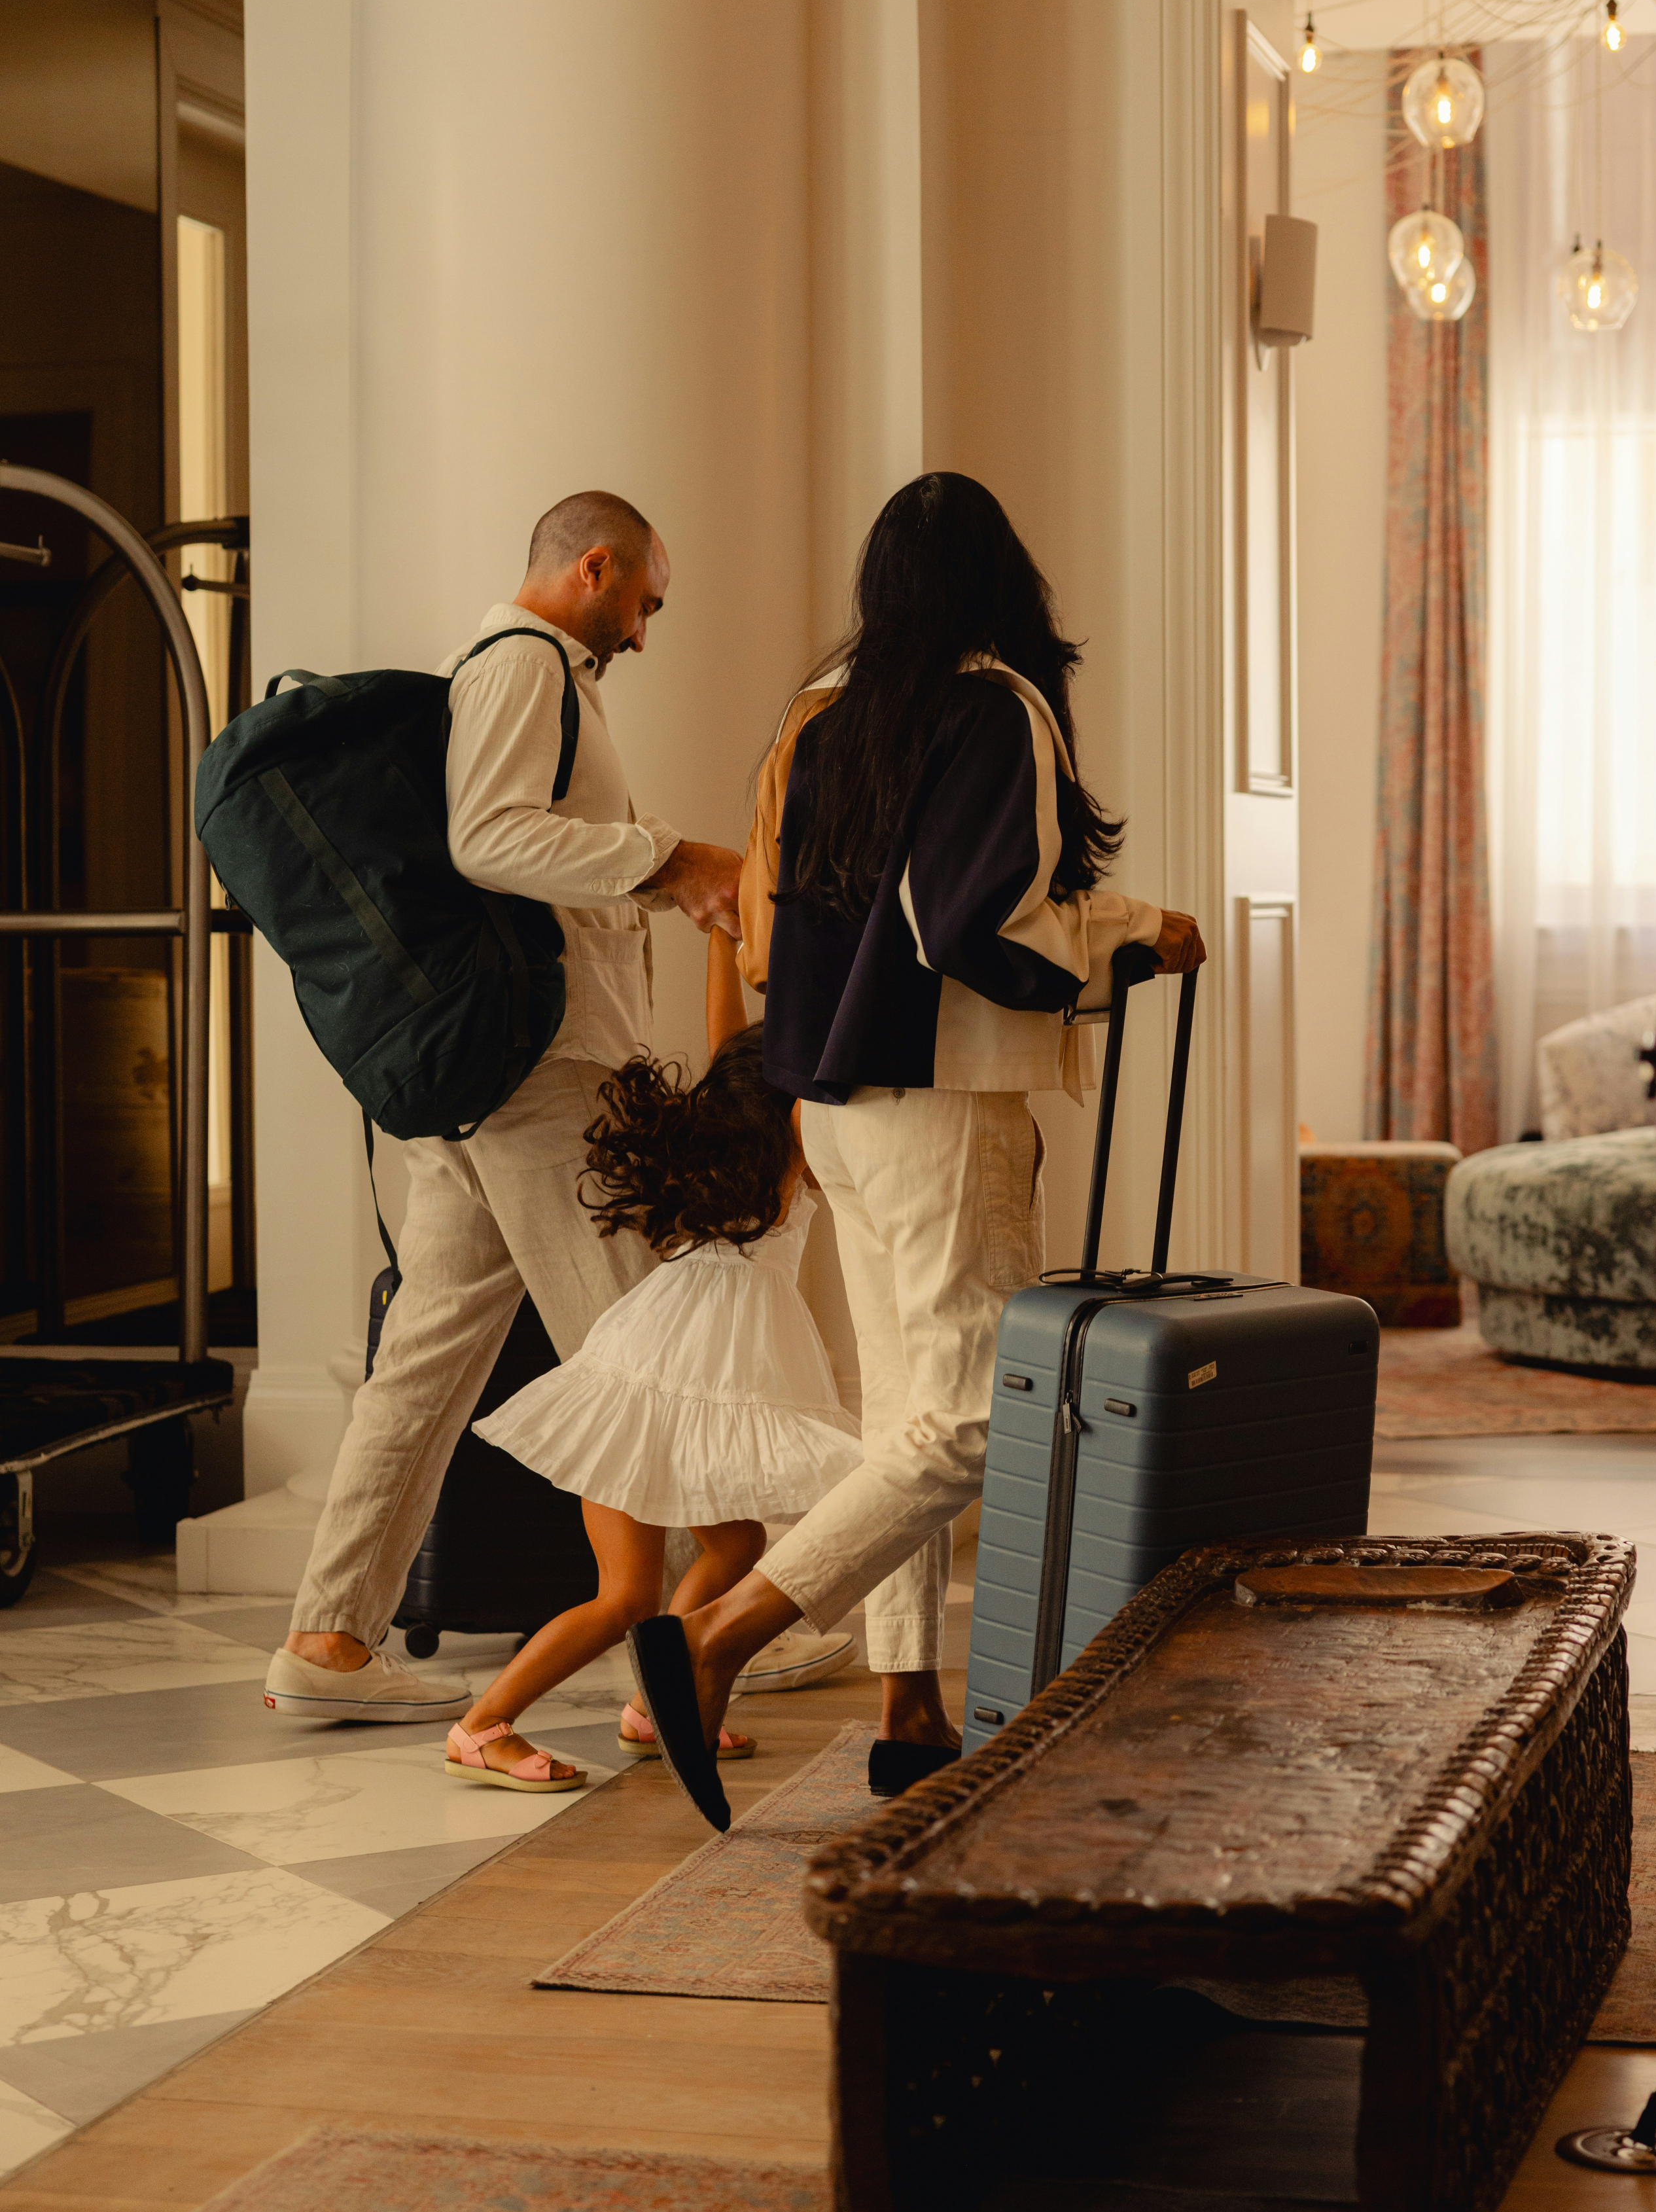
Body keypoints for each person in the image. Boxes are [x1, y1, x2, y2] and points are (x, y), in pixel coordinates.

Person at [627, 471, 1207, 1830]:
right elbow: (970, 925)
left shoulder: (825, 717)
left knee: (903, 1409)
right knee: (964, 1420)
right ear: (1005, 579)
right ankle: (719, 1639)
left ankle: (910, 1702)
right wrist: (1134, 933)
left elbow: (864, 906)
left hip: (833, 1099)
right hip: (945, 1102)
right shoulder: (993, 703)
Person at [262, 490, 747, 1737]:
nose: (646, 632)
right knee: (644, 1335)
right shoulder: (530, 663)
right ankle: (723, 1616)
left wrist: (648, 870)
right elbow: (491, 839)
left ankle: (329, 1634)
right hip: (538, 1073)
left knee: (428, 1358)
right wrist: (671, 859)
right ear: (597, 567)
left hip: (488, 1076)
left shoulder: (526, 670)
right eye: (646, 602)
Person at [439, 932, 860, 1789]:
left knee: (736, 1540)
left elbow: (725, 1040)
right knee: (624, 1597)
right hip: (662, 1378)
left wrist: (721, 938)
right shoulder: (795, 1142)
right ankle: (480, 1728)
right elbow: (791, 1061)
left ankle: (654, 1704)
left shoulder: (737, 1134)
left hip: (658, 1362)